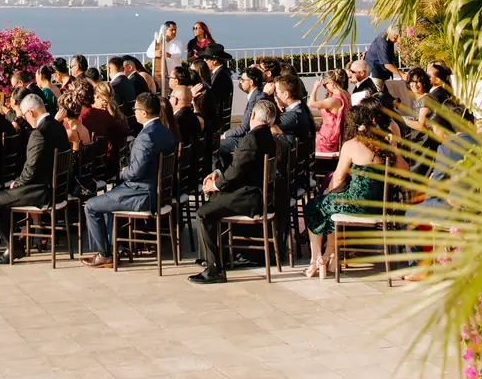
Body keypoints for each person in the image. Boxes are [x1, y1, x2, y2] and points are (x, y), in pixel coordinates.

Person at [80, 92, 176, 267]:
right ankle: (114, 246)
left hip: (142, 193)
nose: (134, 112)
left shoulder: (146, 136)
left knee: (92, 206)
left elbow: (135, 172)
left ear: (145, 113)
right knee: (106, 203)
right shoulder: (164, 130)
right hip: (157, 191)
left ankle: (104, 254)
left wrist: (123, 172)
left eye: (136, 109)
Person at [304, 103, 396, 278]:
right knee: (329, 207)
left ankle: (317, 257)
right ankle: (330, 256)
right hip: (378, 205)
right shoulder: (385, 145)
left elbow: (338, 178)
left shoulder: (351, 144)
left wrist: (327, 194)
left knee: (315, 206)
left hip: (356, 205)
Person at [190, 103, 277, 284]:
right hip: (254, 192)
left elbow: (237, 171)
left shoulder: (252, 138)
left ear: (253, 115)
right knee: (212, 202)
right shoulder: (267, 135)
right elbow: (239, 167)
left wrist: (216, 185)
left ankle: (214, 267)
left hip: (250, 197)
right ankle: (215, 256)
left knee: (203, 213)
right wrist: (219, 175)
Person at [0, 92, 69, 264]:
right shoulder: (58, 127)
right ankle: (6, 242)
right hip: (56, 188)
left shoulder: (39, 133)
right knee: (1, 199)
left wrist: (16, 184)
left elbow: (30, 170)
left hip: (40, 191)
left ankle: (13, 246)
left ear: (30, 113)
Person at [310, 67, 349, 154]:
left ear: (332, 84)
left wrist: (315, 87)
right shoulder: (346, 94)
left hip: (328, 136)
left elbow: (311, 103)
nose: (325, 88)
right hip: (338, 133)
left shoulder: (334, 100)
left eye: (325, 84)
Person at [272, 73, 315, 148]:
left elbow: (264, 121)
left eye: (276, 93)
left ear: (286, 94)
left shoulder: (294, 115)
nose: (274, 96)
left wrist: (265, 94)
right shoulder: (300, 108)